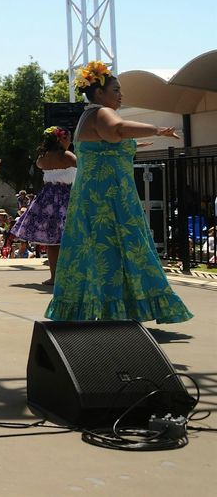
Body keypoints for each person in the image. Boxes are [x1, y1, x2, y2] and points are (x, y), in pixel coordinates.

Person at [46, 62, 192, 323]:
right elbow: (119, 130)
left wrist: (142, 140)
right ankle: (113, 311)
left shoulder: (90, 116)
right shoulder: (102, 113)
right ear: (99, 93)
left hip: (99, 196)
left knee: (103, 251)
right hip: (108, 199)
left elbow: (114, 139)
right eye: (116, 89)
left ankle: (107, 309)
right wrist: (157, 129)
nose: (120, 94)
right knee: (114, 250)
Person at [10, 127, 76, 285]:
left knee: (53, 243)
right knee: (71, 240)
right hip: (67, 198)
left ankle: (54, 277)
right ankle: (70, 277)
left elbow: (39, 165)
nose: (70, 142)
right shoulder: (68, 156)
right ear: (60, 140)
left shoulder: (43, 158)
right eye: (68, 139)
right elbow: (84, 168)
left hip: (47, 200)